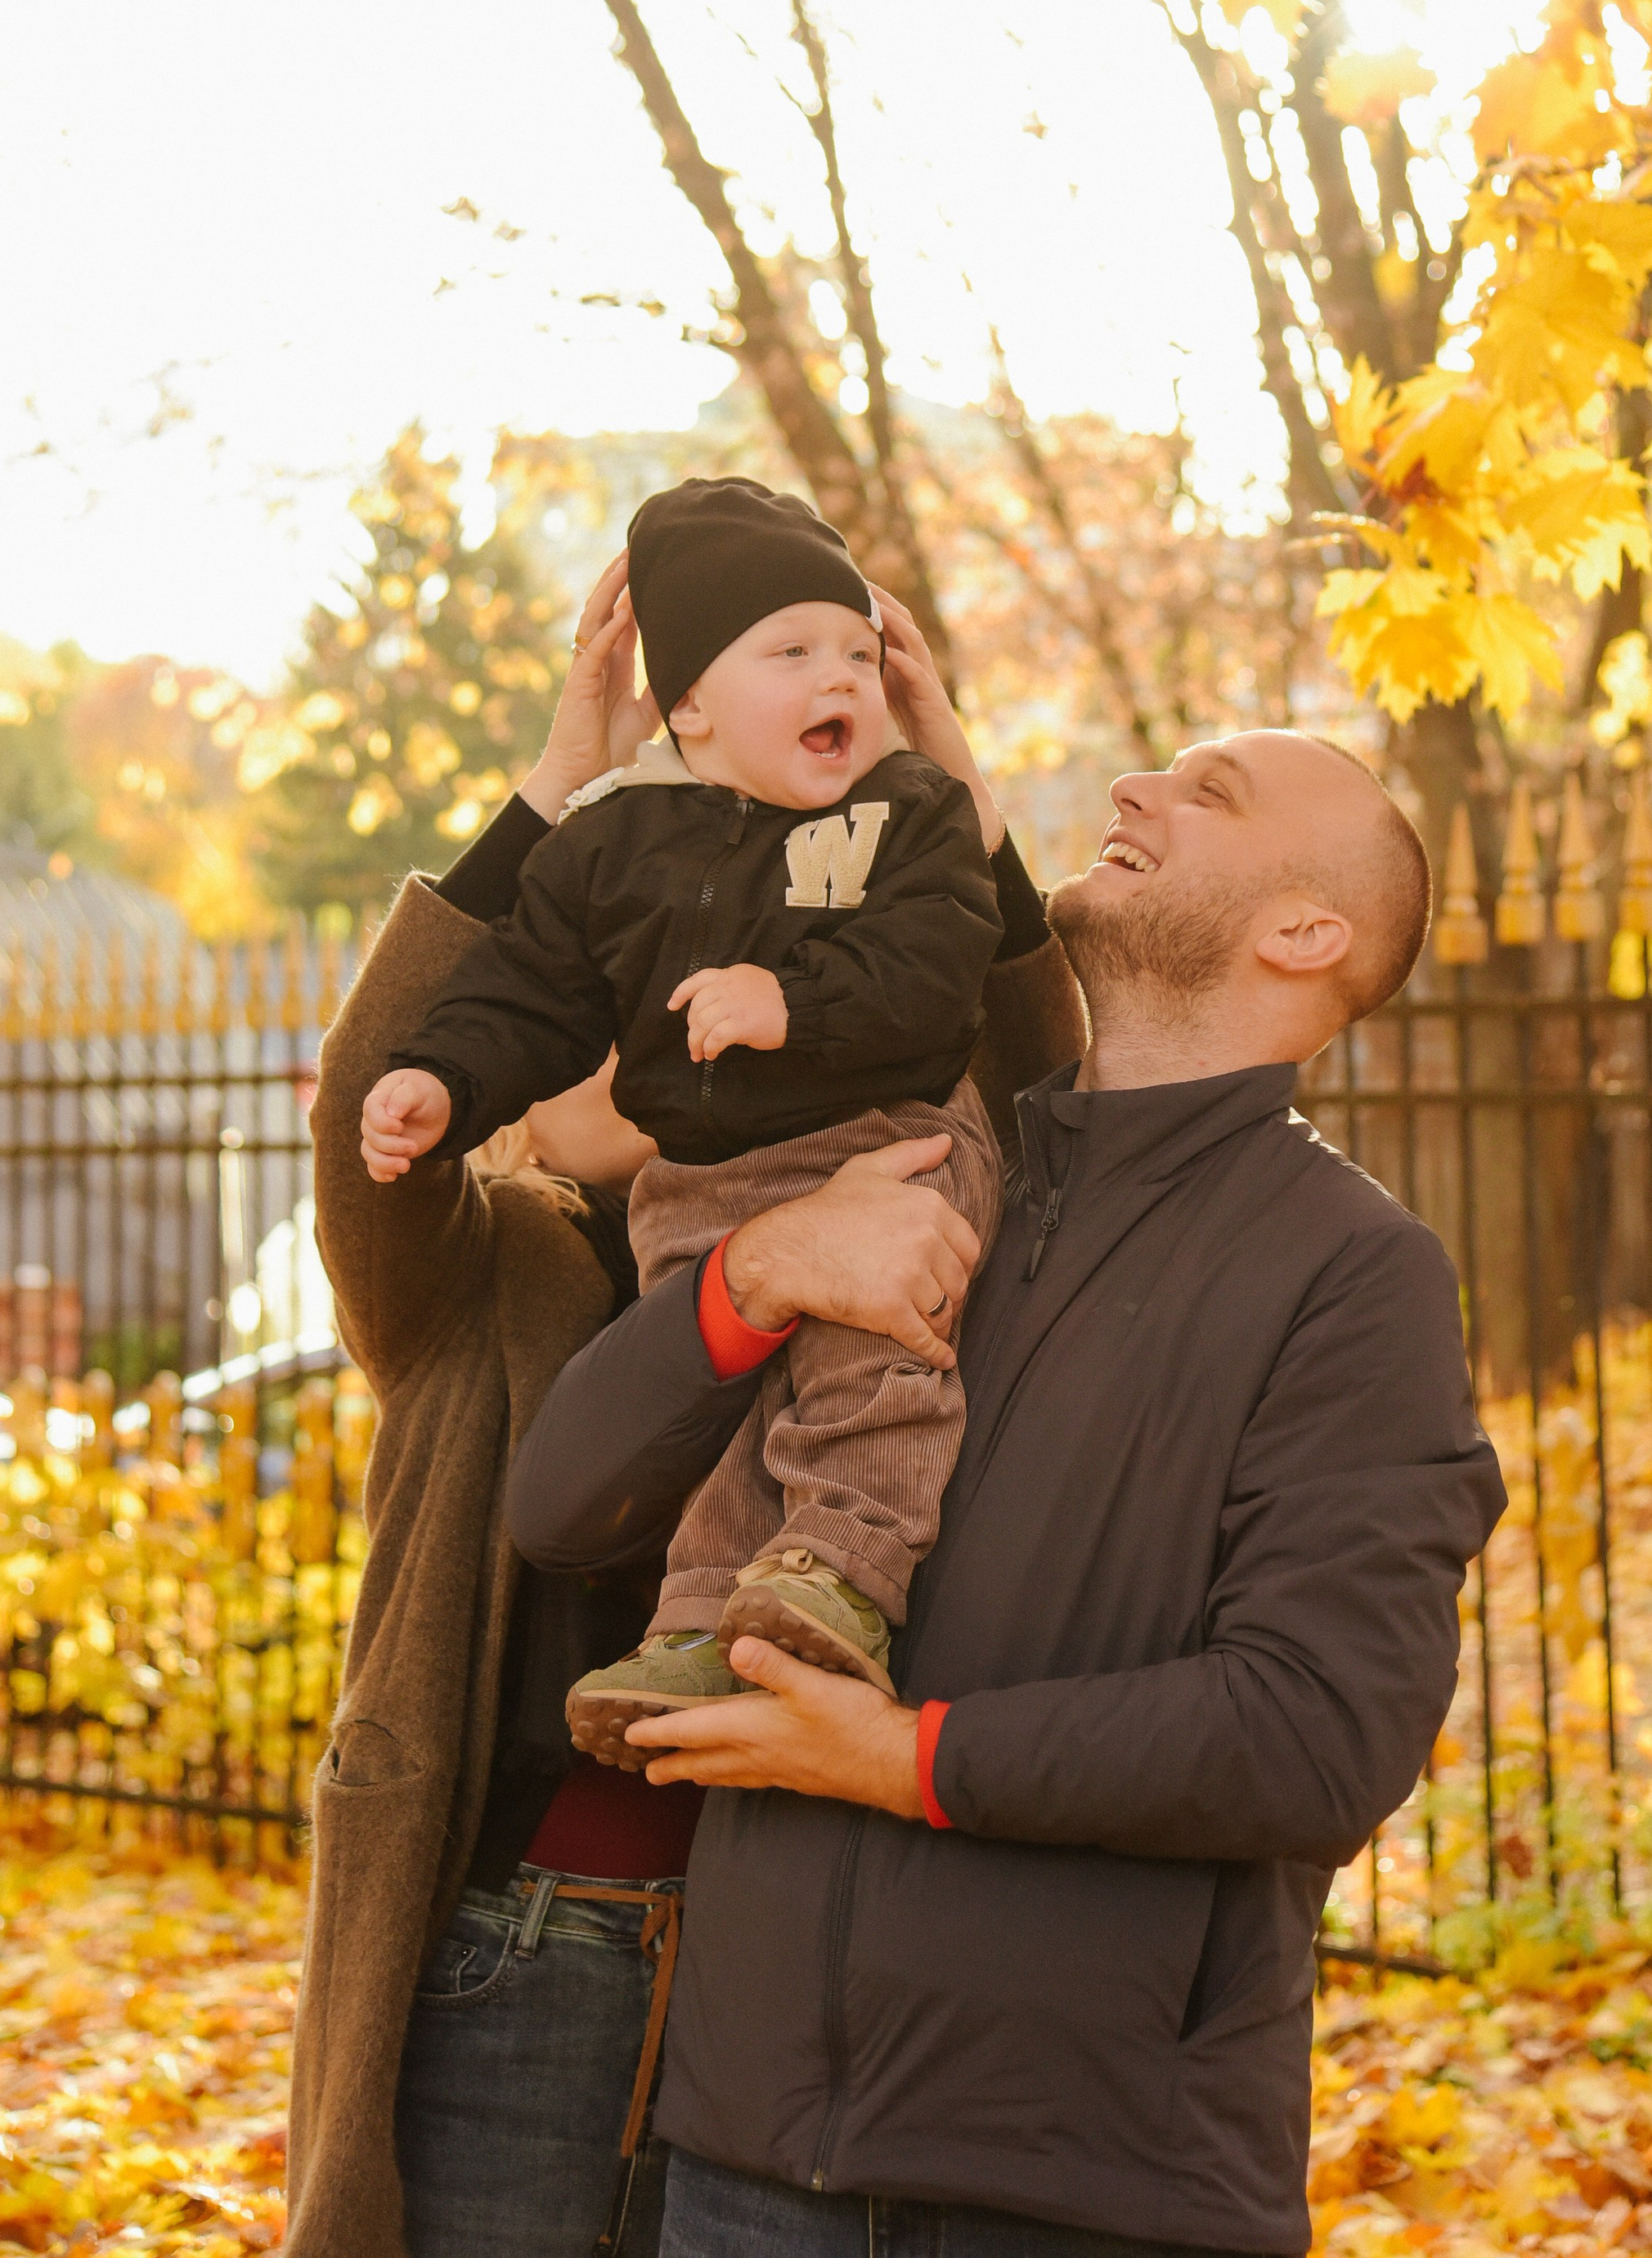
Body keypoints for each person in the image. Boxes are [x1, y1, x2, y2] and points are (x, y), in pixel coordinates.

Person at [510, 722, 1510, 2258]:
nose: (1134, 788)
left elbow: (1320, 1733)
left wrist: (902, 1759)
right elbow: (561, 1511)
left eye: (1209, 792)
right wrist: (758, 1271)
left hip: (1086, 2185)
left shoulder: (1354, 1273)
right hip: (741, 2159)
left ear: (1307, 933)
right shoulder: (904, 1162)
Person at [283, 557, 1084, 2258]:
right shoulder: (478, 1267)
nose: (649, 1017)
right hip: (521, 1936)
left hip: (792, 1940)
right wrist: (561, 779)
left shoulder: (873, 1197)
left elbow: (1032, 1072)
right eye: (603, 1000)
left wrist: (946, 779)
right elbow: (379, 1097)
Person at [359, 478, 1008, 1739]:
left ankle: (845, 1565)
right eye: (791, 652)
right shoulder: (613, 845)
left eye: (859, 654)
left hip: (888, 1140)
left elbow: (943, 969)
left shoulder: (907, 814)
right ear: (688, 705)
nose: (839, 676)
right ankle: (705, 1618)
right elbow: (528, 988)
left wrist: (790, 1001)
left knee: (866, 1357)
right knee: (722, 1416)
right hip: (703, 1183)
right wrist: (443, 1077)